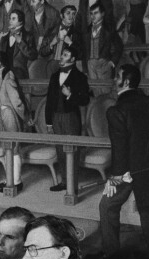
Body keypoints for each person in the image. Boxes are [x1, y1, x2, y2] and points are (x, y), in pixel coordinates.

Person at [96, 64, 149, 259]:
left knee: (106, 206)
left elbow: (120, 149)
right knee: (148, 210)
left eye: (117, 77)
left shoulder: (115, 111)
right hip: (148, 165)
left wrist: (115, 178)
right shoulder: (148, 102)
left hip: (126, 171)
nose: (114, 80)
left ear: (126, 82)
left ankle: (111, 253)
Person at [45, 44, 90, 193]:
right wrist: (49, 122)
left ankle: (73, 185)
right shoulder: (54, 76)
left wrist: (69, 95)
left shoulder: (80, 77)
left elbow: (85, 100)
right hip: (56, 117)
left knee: (72, 152)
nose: (62, 57)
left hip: (71, 117)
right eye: (62, 54)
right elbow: (49, 101)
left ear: (72, 59)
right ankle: (64, 182)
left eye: (65, 55)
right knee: (60, 151)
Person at [0, 49, 30, 191]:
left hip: (9, 115)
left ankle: (17, 181)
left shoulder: (8, 77)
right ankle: (9, 179)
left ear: (0, 62)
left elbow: (17, 101)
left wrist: (24, 117)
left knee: (13, 149)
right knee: (6, 148)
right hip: (2, 115)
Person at [81, 2, 122, 81]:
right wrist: (85, 70)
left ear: (102, 14)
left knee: (105, 89)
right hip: (90, 66)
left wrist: (112, 63)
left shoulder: (109, 30)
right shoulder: (87, 31)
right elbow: (84, 51)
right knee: (94, 90)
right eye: (91, 13)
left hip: (104, 65)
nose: (93, 16)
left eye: (96, 13)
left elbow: (119, 46)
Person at [44, 5, 84, 76]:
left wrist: (70, 43)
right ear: (61, 16)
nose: (71, 16)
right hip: (52, 63)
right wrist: (51, 45)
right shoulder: (51, 31)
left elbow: (81, 54)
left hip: (68, 64)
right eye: (68, 13)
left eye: (73, 14)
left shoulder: (77, 33)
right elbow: (42, 51)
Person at [0, 9, 37, 80]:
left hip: (20, 75)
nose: (10, 21)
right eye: (10, 18)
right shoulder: (4, 39)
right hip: (5, 74)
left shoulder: (28, 37)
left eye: (13, 19)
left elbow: (33, 55)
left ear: (20, 21)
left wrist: (20, 42)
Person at [28, 0, 61, 74]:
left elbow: (54, 35)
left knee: (34, 70)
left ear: (42, 1)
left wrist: (43, 42)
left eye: (33, 1)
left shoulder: (53, 13)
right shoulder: (31, 12)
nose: (31, 4)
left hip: (49, 53)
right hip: (35, 52)